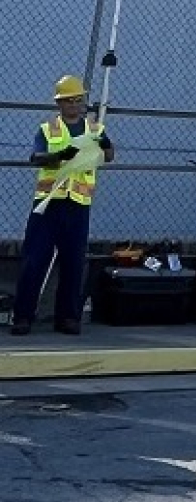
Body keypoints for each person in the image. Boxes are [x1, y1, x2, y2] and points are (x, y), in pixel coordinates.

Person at [11, 75, 114, 336]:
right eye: (69, 101)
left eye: (79, 100)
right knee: (35, 261)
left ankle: (68, 318)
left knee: (73, 263)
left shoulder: (94, 130)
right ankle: (22, 317)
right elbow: (36, 157)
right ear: (60, 104)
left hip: (78, 205)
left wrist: (106, 145)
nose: (75, 105)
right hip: (49, 203)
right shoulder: (48, 129)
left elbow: (109, 156)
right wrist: (58, 156)